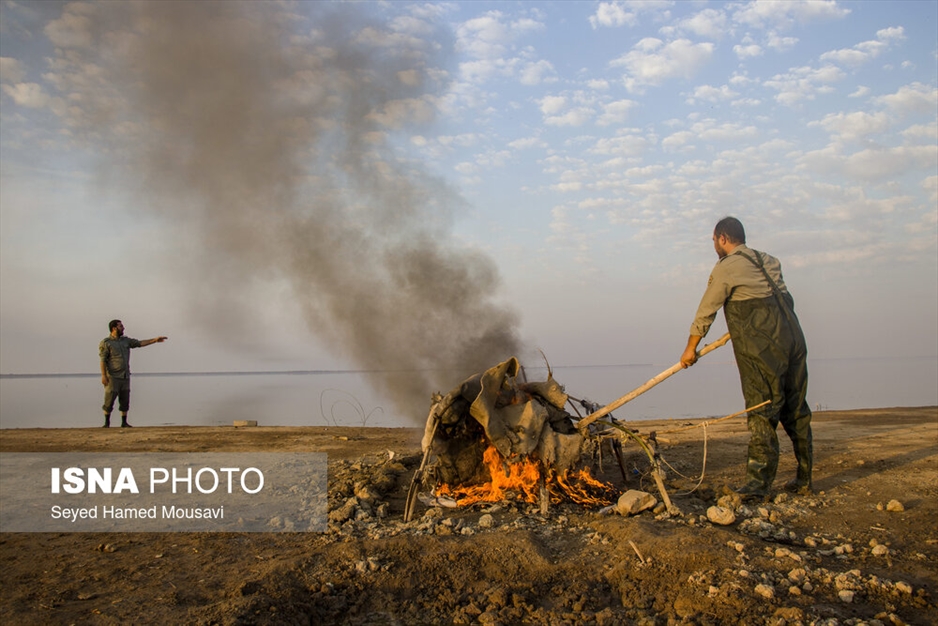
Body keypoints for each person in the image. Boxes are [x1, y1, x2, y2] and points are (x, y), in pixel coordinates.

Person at [680, 217, 812, 500]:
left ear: (723, 239)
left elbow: (707, 310)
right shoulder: (769, 261)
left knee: (762, 408)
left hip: (763, 348)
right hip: (794, 338)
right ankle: (804, 478)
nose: (713, 244)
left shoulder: (726, 268)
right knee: (796, 407)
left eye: (714, 239)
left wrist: (690, 349)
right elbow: (782, 301)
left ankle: (758, 484)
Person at [99, 320, 168, 428]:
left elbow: (139, 343)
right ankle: (106, 423)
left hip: (125, 376)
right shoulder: (106, 343)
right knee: (109, 400)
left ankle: (124, 422)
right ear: (114, 328)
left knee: (125, 400)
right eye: (121, 326)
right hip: (112, 377)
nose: (123, 328)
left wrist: (154, 340)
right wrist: (103, 375)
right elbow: (103, 360)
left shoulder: (125, 341)